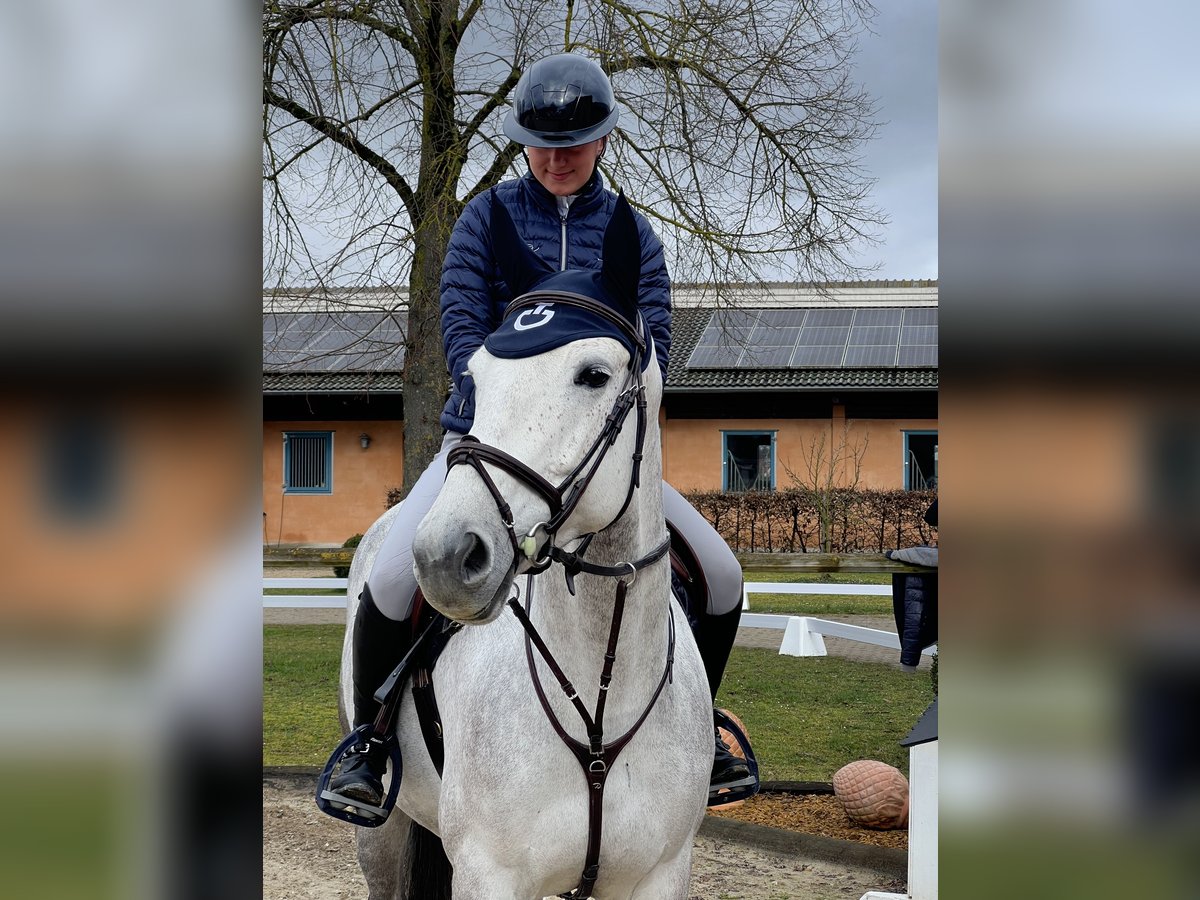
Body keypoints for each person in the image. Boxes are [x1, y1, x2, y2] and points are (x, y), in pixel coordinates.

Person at [327, 52, 749, 810]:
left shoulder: (632, 236)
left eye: (574, 143)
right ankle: (371, 741)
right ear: (523, 144)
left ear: (603, 139)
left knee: (721, 575)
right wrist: (505, 404)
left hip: (598, 459)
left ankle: (702, 734)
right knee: (390, 578)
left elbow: (650, 348)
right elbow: (462, 328)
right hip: (491, 447)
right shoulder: (484, 220)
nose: (557, 159)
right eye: (542, 144)